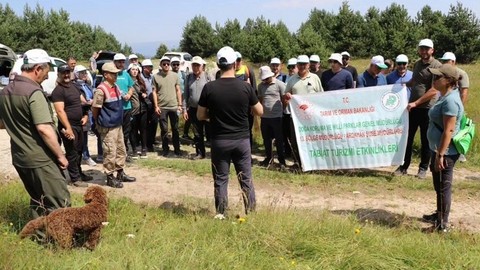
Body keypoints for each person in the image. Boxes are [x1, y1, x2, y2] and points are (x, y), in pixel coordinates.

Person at [0, 49, 71, 218]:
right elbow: (44, 128)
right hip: (40, 158)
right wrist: (60, 156)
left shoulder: (6, 91)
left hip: (20, 157)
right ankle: (60, 242)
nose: (47, 76)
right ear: (38, 69)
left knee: (38, 200)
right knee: (59, 201)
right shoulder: (33, 92)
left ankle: (40, 237)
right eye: (47, 71)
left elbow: (2, 123)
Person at [197, 46, 263, 219]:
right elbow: (260, 111)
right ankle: (251, 213)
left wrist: (215, 116)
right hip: (241, 140)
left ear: (219, 65)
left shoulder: (209, 88)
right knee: (246, 179)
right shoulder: (245, 87)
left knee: (221, 179)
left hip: (219, 140)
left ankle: (221, 214)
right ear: (235, 64)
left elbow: (200, 115)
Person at [422, 64, 464, 232]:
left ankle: (442, 225)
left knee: (443, 187)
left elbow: (449, 130)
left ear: (448, 80)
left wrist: (441, 154)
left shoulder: (451, 101)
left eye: (438, 77)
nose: (434, 79)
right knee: (438, 186)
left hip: (445, 153)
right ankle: (439, 215)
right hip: (438, 149)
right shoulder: (444, 95)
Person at [395, 39, 442, 178]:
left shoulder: (436, 66)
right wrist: (402, 85)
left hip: (427, 108)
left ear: (432, 50)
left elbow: (434, 90)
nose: (424, 51)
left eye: (427, 49)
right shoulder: (417, 64)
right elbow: (415, 81)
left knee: (425, 140)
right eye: (422, 49)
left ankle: (423, 168)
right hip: (413, 107)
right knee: (407, 138)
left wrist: (416, 103)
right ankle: (404, 166)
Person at [91, 62, 136, 188]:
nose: (116, 75)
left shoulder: (115, 86)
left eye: (116, 73)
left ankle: (120, 173)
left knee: (121, 150)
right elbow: (95, 109)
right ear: (105, 74)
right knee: (110, 152)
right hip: (108, 126)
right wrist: (98, 121)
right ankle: (110, 177)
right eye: (113, 73)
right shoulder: (101, 90)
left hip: (117, 124)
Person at [51, 64, 93, 187]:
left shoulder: (74, 87)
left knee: (80, 150)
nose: (66, 75)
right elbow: (60, 111)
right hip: (67, 126)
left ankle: (79, 173)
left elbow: (83, 102)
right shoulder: (58, 91)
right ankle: (75, 178)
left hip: (79, 124)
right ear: (59, 74)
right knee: (72, 151)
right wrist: (68, 128)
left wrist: (85, 115)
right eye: (63, 73)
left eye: (68, 72)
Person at [284, 55, 323, 168]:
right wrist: (286, 97)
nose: (302, 66)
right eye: (300, 64)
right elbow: (285, 98)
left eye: (304, 64)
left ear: (308, 65)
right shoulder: (291, 80)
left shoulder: (315, 78)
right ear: (297, 65)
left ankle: (314, 163)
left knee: (313, 139)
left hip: (312, 116)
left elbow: (321, 95)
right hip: (296, 117)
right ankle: (298, 163)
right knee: (296, 140)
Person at [439, 52, 470, 162]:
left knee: (454, 130)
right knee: (444, 129)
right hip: (445, 105)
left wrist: (459, 109)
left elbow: (464, 92)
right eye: (443, 61)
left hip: (455, 107)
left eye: (447, 61)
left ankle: (458, 152)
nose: (445, 63)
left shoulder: (461, 73)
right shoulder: (443, 73)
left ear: (453, 61)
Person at [152, 56, 183, 157]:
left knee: (175, 129)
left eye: (168, 64)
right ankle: (165, 149)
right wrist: (156, 106)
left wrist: (180, 104)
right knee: (164, 129)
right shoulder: (156, 76)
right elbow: (154, 92)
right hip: (162, 107)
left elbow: (178, 90)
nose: (166, 65)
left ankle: (177, 149)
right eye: (164, 64)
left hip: (174, 106)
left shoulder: (175, 76)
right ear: (160, 65)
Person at [258, 66, 286, 169]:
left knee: (279, 140)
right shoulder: (260, 86)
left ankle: (282, 161)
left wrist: (281, 111)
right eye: (263, 79)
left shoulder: (280, 84)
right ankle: (268, 158)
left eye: (266, 78)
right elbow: (260, 100)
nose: (265, 80)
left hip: (277, 117)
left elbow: (284, 100)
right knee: (266, 139)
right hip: (264, 117)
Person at [184, 56, 210, 160]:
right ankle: (200, 153)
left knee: (210, 131)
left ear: (202, 66)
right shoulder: (189, 77)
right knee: (197, 132)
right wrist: (184, 109)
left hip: (207, 109)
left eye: (197, 65)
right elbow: (185, 94)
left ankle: (215, 153)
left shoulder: (208, 77)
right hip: (194, 109)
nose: (195, 67)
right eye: (193, 65)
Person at [73, 65, 97, 167]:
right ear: (77, 74)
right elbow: (82, 100)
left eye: (85, 73)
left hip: (91, 112)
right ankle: (86, 156)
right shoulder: (75, 86)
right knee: (84, 137)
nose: (85, 74)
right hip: (83, 113)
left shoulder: (87, 85)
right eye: (82, 73)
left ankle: (98, 154)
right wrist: (90, 102)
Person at [113, 53, 135, 160]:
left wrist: (129, 94)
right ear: (115, 62)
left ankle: (124, 153)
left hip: (127, 107)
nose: (121, 64)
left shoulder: (126, 74)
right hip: (116, 108)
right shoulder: (111, 74)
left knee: (126, 131)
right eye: (119, 62)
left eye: (123, 62)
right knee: (117, 132)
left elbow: (131, 87)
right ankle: (117, 153)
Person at [128, 63, 149, 159]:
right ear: (129, 71)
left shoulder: (141, 81)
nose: (135, 71)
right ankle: (134, 150)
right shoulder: (127, 82)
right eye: (132, 69)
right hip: (132, 109)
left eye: (136, 69)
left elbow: (146, 91)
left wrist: (144, 94)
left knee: (143, 129)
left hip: (143, 109)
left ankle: (144, 148)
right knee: (133, 130)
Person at [140, 59, 157, 152]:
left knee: (154, 122)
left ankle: (151, 141)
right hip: (144, 103)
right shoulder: (140, 78)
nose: (151, 69)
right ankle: (146, 144)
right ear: (144, 68)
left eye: (151, 67)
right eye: (150, 67)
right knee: (145, 124)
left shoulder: (152, 77)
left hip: (153, 103)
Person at [283, 57, 298, 158]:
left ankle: (296, 154)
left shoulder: (298, 79)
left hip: (297, 113)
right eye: (289, 67)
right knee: (287, 134)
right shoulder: (284, 78)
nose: (291, 69)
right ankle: (288, 152)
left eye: (293, 67)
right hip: (286, 111)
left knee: (296, 135)